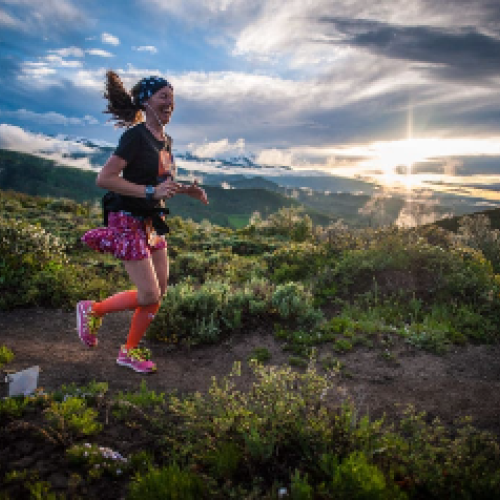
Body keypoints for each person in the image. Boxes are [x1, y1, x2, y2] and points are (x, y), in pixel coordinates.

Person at [77, 70, 208, 374]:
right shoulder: (135, 136)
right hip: (126, 217)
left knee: (158, 293)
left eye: (172, 99)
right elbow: (105, 179)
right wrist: (150, 192)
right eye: (163, 97)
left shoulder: (165, 140)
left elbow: (162, 181)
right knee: (148, 293)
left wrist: (188, 189)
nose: (170, 104)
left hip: (151, 220)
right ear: (146, 101)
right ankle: (93, 310)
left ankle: (129, 351)